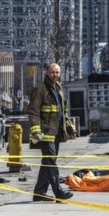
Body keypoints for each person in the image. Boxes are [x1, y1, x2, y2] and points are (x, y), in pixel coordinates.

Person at [28, 63, 74, 202]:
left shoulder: (58, 88)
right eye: (53, 72)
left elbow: (62, 112)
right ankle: (59, 193)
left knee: (47, 163)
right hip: (45, 133)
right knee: (51, 163)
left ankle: (39, 193)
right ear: (46, 72)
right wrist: (36, 130)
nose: (55, 75)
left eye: (57, 72)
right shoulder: (40, 89)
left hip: (56, 133)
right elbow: (33, 111)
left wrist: (69, 128)